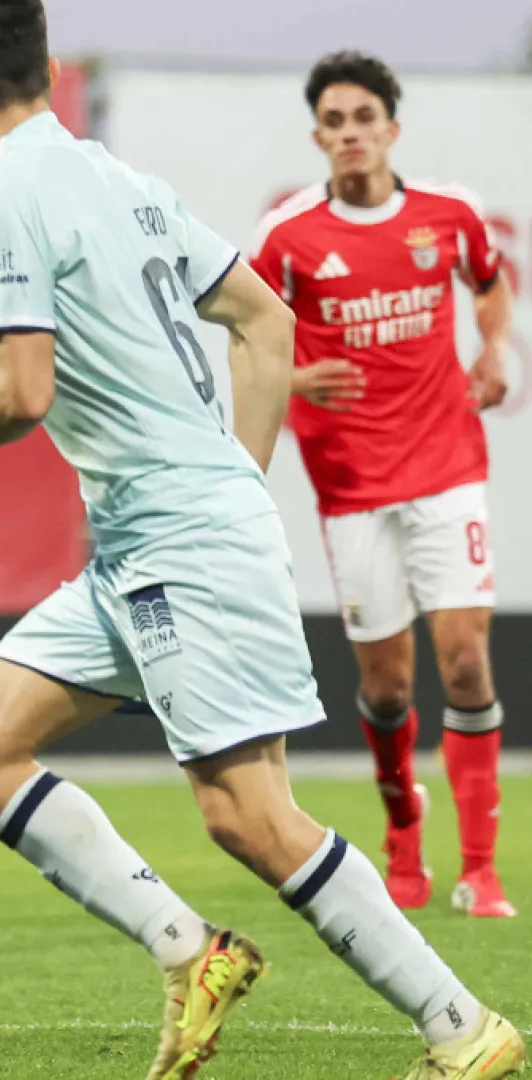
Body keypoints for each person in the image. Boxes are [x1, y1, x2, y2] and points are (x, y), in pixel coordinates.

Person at [0, 4, 525, 1079]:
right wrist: (237, 474)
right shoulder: (123, 181)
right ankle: (190, 951)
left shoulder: (3, 197)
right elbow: (266, 321)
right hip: (146, 541)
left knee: (249, 816)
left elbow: (23, 392)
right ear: (48, 65)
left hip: (178, 541)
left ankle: (461, 1027)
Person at [248, 51, 515, 919]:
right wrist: (293, 379)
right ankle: (404, 830)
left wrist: (494, 350)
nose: (351, 133)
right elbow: (246, 337)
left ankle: (481, 868)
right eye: (335, 121)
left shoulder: (449, 215)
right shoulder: (288, 237)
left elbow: (491, 284)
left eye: (365, 118)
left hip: (447, 468)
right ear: (318, 136)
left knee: (466, 663)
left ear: (391, 129)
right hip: (353, 485)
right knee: (389, 689)